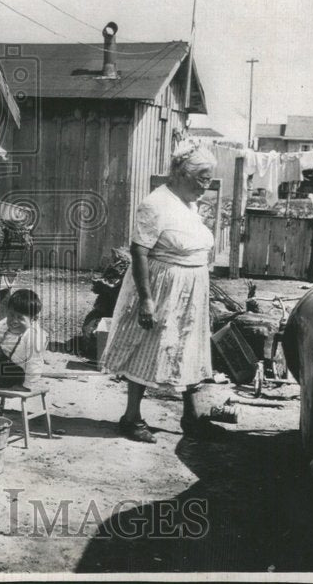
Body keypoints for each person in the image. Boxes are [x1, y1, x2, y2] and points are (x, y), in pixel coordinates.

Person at [100, 142, 222, 443]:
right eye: (202, 179)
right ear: (181, 173)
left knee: (191, 348)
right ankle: (131, 418)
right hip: (162, 288)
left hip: (192, 290)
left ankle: (192, 418)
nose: (205, 186)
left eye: (208, 179)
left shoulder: (190, 204)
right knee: (147, 349)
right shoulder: (156, 204)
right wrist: (146, 299)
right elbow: (139, 251)